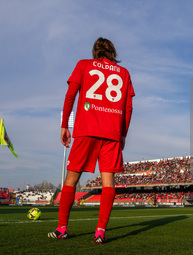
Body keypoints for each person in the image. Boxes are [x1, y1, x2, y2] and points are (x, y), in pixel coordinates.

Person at [48, 37, 135, 244]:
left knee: (71, 180)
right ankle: (100, 232)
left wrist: (64, 126)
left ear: (95, 51)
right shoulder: (124, 73)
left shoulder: (84, 65)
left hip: (87, 129)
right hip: (112, 133)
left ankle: (62, 228)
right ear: (113, 52)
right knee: (108, 184)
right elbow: (128, 107)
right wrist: (123, 134)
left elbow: (70, 94)